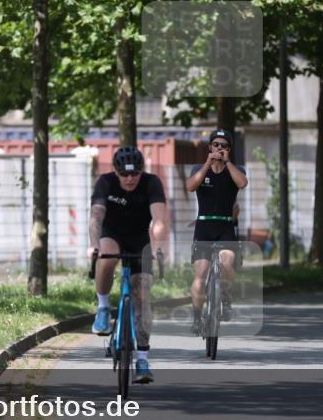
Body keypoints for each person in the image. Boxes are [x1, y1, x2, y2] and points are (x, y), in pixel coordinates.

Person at [88, 146, 167, 384]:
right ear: (116, 172)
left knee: (142, 295)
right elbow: (96, 217)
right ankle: (103, 308)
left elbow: (159, 220)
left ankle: (142, 360)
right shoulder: (106, 183)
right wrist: (94, 246)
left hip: (139, 239)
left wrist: (158, 247)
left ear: (142, 171)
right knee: (107, 257)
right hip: (111, 234)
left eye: (135, 174)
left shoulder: (152, 183)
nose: (130, 179)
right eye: (124, 174)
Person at [185, 130, 248, 334]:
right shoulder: (199, 169)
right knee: (201, 274)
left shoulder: (235, 170)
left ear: (229, 150)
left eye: (224, 145)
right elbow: (191, 186)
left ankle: (226, 298)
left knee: (226, 263)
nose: (219, 148)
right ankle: (197, 317)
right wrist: (207, 164)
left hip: (225, 227)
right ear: (210, 147)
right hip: (204, 227)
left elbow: (242, 183)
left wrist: (227, 163)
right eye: (216, 145)